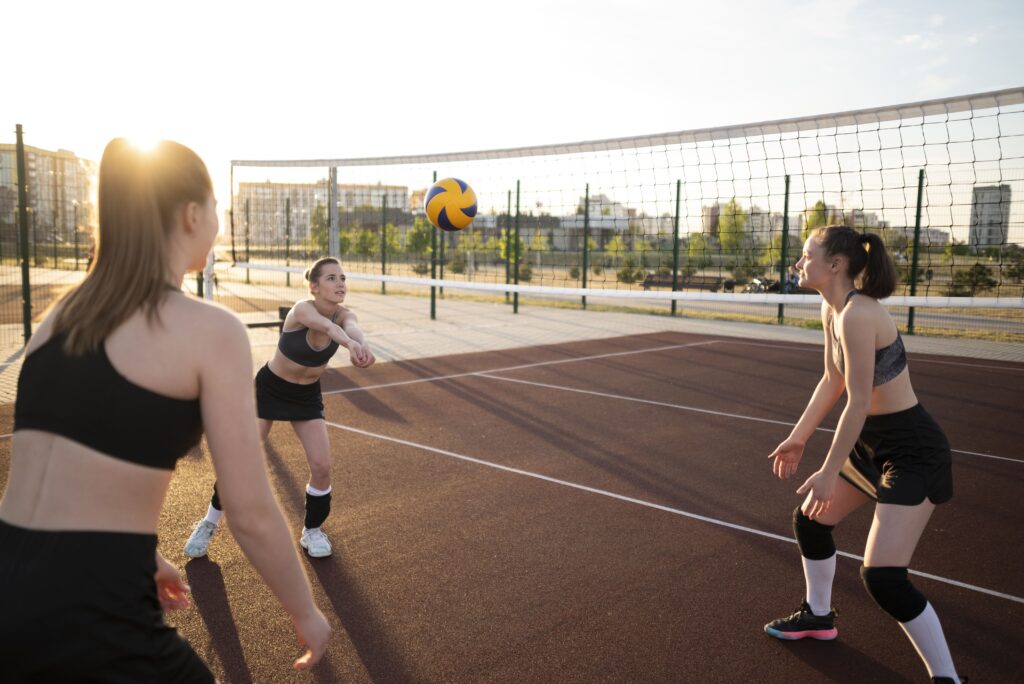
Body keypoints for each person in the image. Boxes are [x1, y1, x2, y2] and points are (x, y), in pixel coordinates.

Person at [0, 139, 330, 681]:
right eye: (218, 209)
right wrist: (306, 612)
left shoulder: (61, 317)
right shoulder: (211, 330)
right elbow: (248, 511)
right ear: (192, 215)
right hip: (90, 603)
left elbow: (59, 464)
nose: (219, 224)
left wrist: (145, 558)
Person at [765, 225, 962, 684]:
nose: (797, 262)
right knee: (810, 521)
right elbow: (832, 380)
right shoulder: (830, 308)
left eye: (806, 254)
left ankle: (947, 679)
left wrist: (830, 471)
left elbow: (857, 399)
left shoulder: (859, 314)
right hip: (875, 443)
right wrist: (798, 437)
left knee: (884, 578)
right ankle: (818, 617)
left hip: (913, 451)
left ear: (835, 265)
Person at [184, 256, 375, 560]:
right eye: (331, 278)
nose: (340, 284)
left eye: (342, 278)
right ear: (314, 286)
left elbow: (353, 328)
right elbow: (326, 327)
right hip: (270, 390)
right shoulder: (303, 310)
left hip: (306, 396)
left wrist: (362, 345)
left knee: (322, 466)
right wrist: (350, 346)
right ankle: (208, 523)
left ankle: (312, 530)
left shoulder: (345, 315)